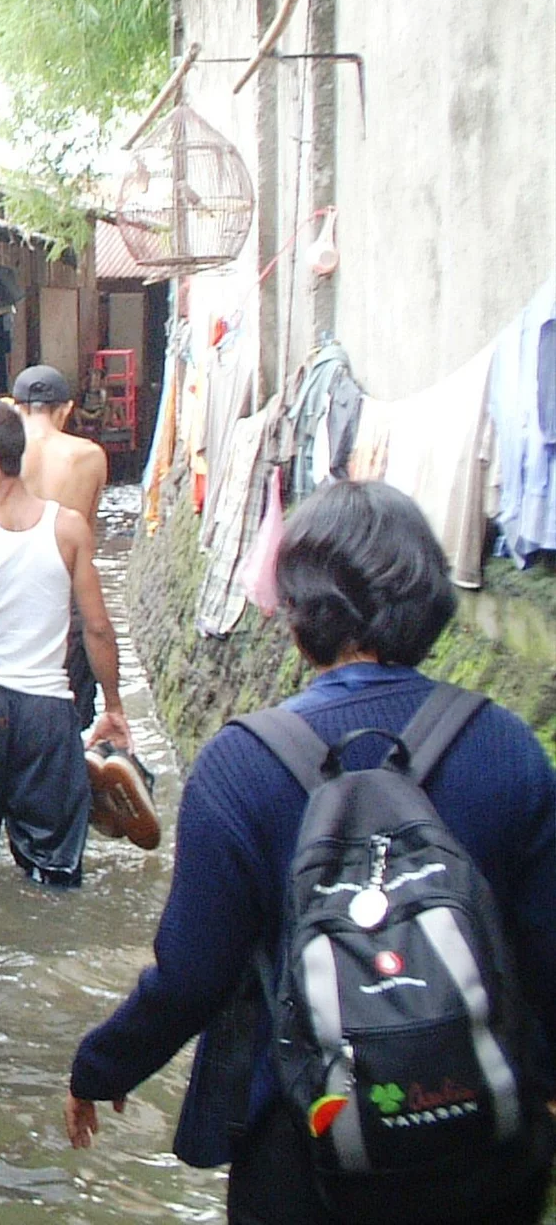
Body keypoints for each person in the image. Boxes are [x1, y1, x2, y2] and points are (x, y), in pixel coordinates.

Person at [65, 480, 556, 1222]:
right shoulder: (508, 746)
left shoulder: (242, 765)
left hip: (306, 1145)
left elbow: (192, 976)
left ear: (297, 615)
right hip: (483, 1143)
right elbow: (544, 950)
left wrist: (101, 1067)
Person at [0, 398, 130, 886]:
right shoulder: (69, 528)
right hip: (47, 714)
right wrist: (114, 706)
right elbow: (97, 627)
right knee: (54, 875)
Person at [13, 363, 110, 726]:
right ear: (67, 409)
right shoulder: (90, 455)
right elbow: (88, 529)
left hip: (10, 592)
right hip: (66, 591)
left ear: (17, 407)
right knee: (70, 713)